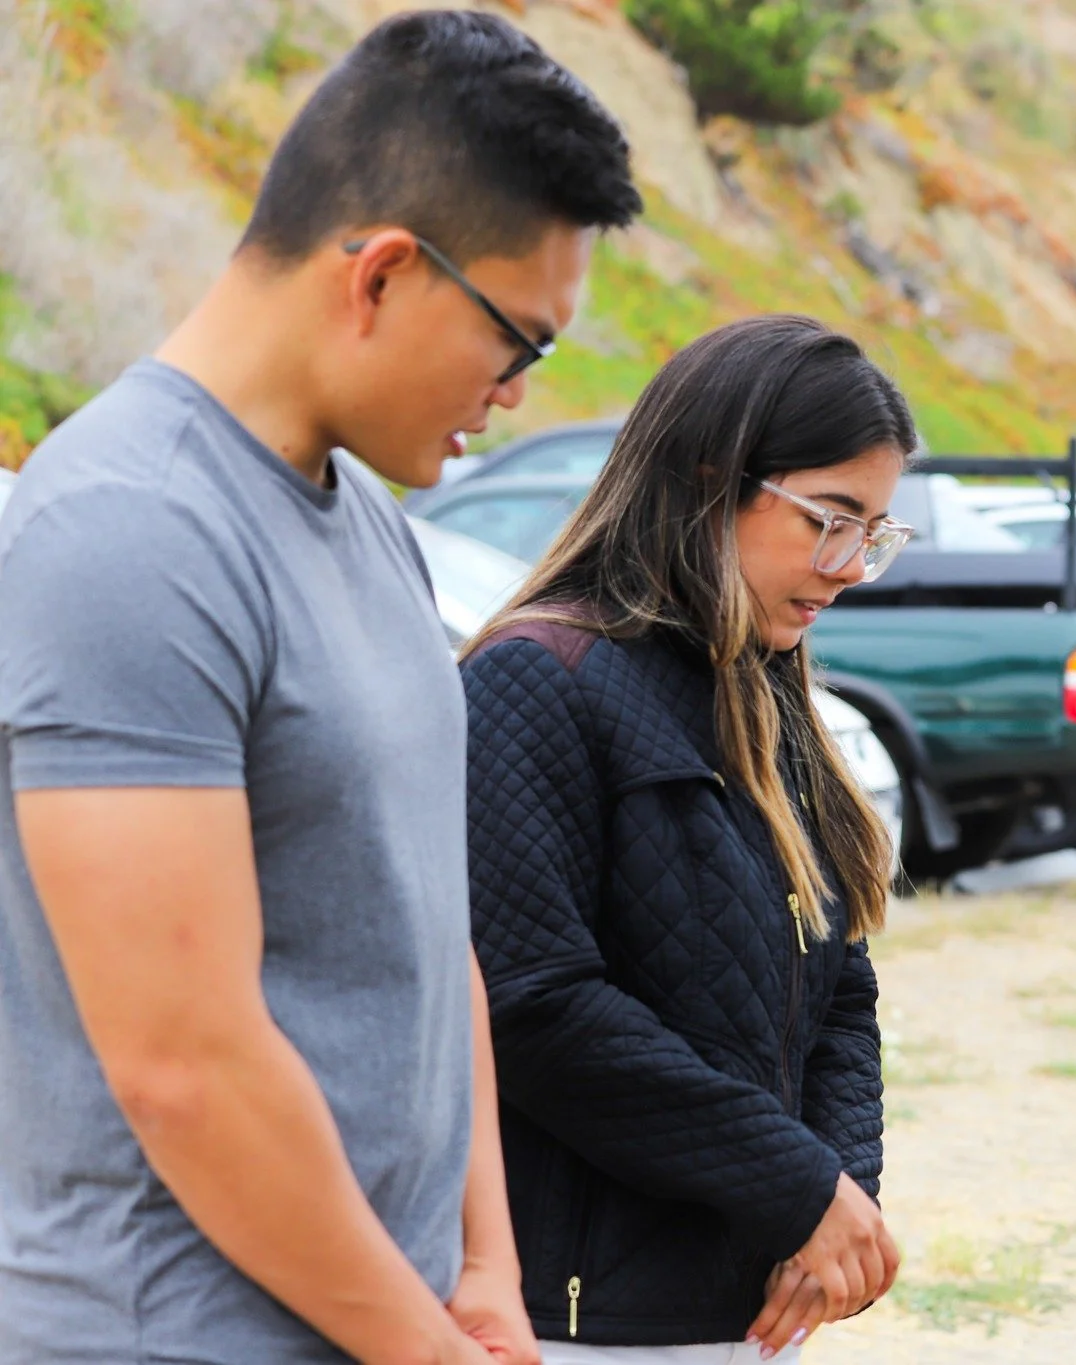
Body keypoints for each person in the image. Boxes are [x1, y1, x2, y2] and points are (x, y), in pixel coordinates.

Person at [0, 13, 640, 1362]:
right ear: (386, 274)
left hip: (388, 1318)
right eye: (518, 343)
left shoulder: (370, 523)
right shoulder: (130, 532)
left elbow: (428, 925)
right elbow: (185, 1070)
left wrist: (482, 1269)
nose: (517, 394)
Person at [462, 316, 911, 1364]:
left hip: (748, 1303)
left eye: (875, 535)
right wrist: (799, 1185)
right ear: (710, 478)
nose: (849, 568)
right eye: (829, 521)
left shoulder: (765, 686)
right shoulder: (537, 680)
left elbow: (839, 982)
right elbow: (532, 1005)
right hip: (579, 1322)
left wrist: (837, 1199)